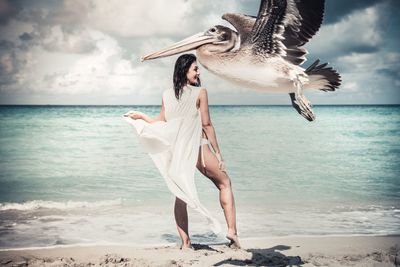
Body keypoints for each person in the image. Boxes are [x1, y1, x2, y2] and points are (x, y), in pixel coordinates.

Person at [123, 54, 240, 249]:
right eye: (195, 68)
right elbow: (207, 124)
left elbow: (162, 121)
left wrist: (142, 117)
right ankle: (232, 232)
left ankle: (186, 243)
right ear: (184, 70)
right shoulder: (200, 92)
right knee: (225, 183)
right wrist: (218, 154)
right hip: (198, 147)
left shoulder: (166, 94)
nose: (198, 72)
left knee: (180, 194)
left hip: (178, 150)